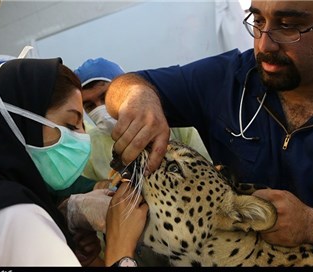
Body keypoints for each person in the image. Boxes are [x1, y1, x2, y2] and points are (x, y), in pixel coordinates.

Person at [105, 0, 313, 255]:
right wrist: (141, 98)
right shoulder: (229, 79)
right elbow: (124, 85)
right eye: (258, 21)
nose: (264, 44)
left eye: (289, 26)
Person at [0, 57, 148, 267]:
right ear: (23, 124)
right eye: (70, 124)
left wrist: (64, 224)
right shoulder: (17, 221)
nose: (83, 139)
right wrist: (121, 250)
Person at [75, 57, 212, 182]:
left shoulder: (164, 117)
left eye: (105, 97)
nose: (101, 109)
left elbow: (207, 165)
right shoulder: (89, 150)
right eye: (89, 106)